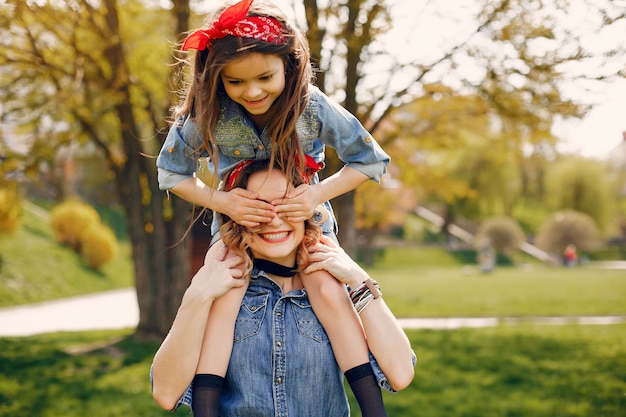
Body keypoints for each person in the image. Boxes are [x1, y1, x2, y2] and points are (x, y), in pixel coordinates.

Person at [155, 0, 390, 415]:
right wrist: (222, 200)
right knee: (223, 296)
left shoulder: (312, 106)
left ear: (290, 67)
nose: (252, 91)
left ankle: (373, 408)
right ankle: (205, 409)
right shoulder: (207, 113)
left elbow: (371, 161)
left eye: (265, 77)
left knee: (327, 291)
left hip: (307, 223)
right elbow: (171, 173)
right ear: (216, 78)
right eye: (235, 82)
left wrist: (317, 195)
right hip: (237, 227)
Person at [151, 161, 415, 416]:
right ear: (237, 220)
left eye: (287, 206)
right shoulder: (222, 290)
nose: (275, 221)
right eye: (258, 209)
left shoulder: (331, 290)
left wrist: (359, 279)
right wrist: (197, 296)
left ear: (309, 213)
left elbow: (401, 373)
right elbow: (165, 392)